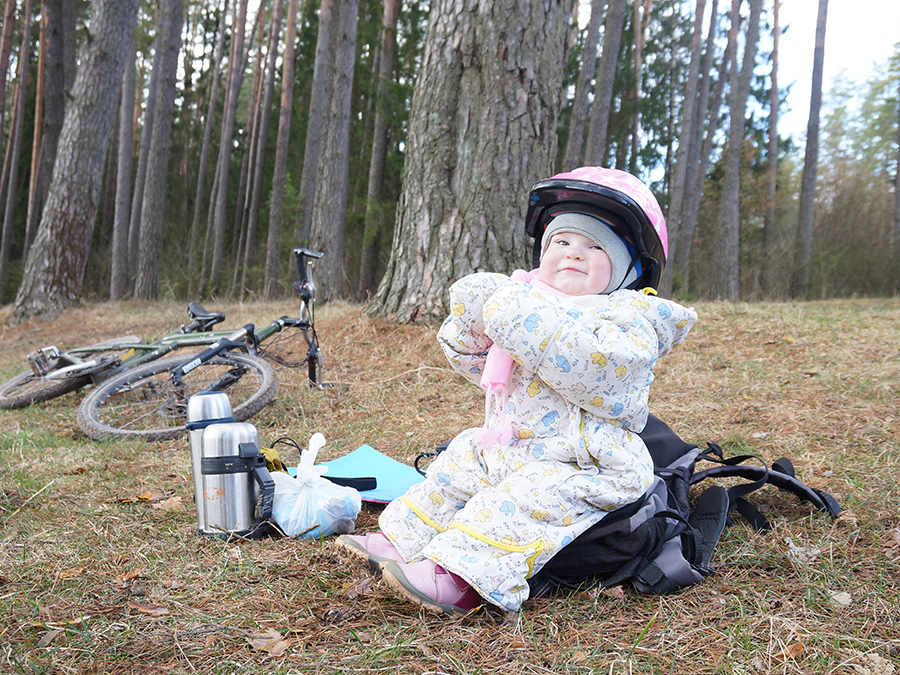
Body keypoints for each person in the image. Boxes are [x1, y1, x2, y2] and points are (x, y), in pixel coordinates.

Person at [336, 166, 697, 614]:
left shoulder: (628, 319)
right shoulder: (529, 301)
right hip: (518, 445)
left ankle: (460, 578)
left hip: (588, 463)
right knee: (463, 460)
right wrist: (474, 322)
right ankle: (403, 538)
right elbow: (480, 366)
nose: (573, 253)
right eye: (561, 242)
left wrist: (517, 319)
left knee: (528, 497)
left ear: (630, 269)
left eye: (594, 245)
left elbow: (596, 368)